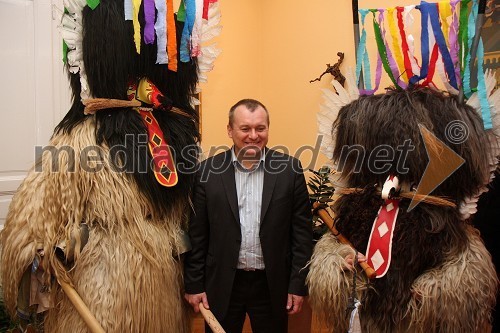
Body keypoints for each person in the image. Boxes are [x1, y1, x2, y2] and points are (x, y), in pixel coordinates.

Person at [184, 99, 313, 333]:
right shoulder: (206, 172)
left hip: (272, 286)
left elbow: (301, 235)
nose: (253, 135)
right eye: (245, 128)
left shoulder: (290, 170)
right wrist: (194, 284)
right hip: (222, 285)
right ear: (230, 130)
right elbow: (197, 234)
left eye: (260, 128)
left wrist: (297, 284)